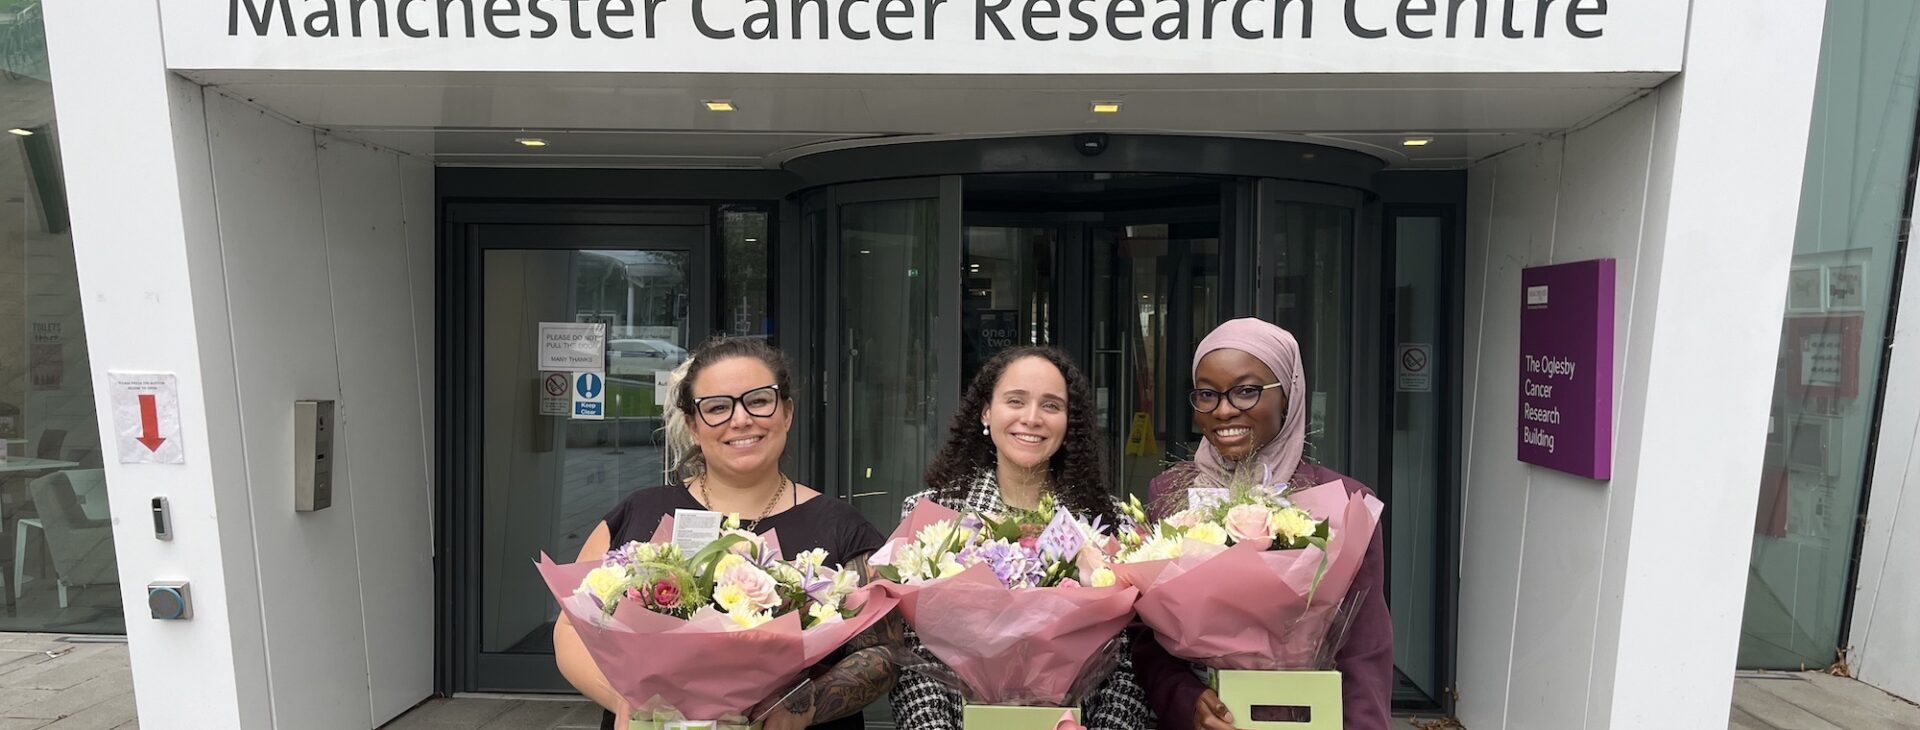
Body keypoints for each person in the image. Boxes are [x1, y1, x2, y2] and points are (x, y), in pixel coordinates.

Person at [554, 336, 901, 730]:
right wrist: (622, 698)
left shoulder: (843, 527)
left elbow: (883, 654)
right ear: (693, 426)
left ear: (786, 412)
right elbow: (571, 628)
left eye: (758, 401)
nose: (740, 420)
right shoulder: (639, 514)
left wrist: (807, 704)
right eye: (717, 407)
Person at [1131, 317, 1393, 730]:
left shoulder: (1341, 503)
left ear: (1288, 396)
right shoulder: (1168, 495)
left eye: (1247, 391)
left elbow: (1364, 645)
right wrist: (1187, 700)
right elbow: (1145, 635)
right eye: (1207, 394)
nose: (1224, 410)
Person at [889, 346, 1153, 730]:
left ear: (1069, 421)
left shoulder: (1112, 525)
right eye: (1015, 401)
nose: (1031, 419)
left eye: (1051, 406)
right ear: (986, 411)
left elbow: (1128, 664)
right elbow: (915, 660)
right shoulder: (933, 516)